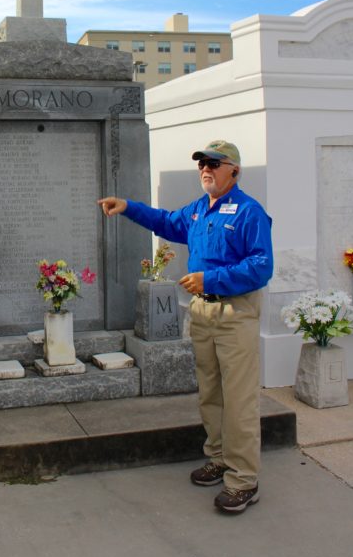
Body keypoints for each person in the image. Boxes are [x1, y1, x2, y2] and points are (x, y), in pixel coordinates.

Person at [98, 140, 273, 515]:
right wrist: (128, 207)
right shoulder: (197, 211)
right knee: (210, 393)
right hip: (202, 315)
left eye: (214, 163)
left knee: (239, 399)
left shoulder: (249, 212)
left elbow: (261, 266)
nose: (205, 169)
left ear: (234, 171)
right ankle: (219, 457)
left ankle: (243, 479)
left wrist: (210, 280)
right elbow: (165, 221)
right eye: (201, 165)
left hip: (234, 314)